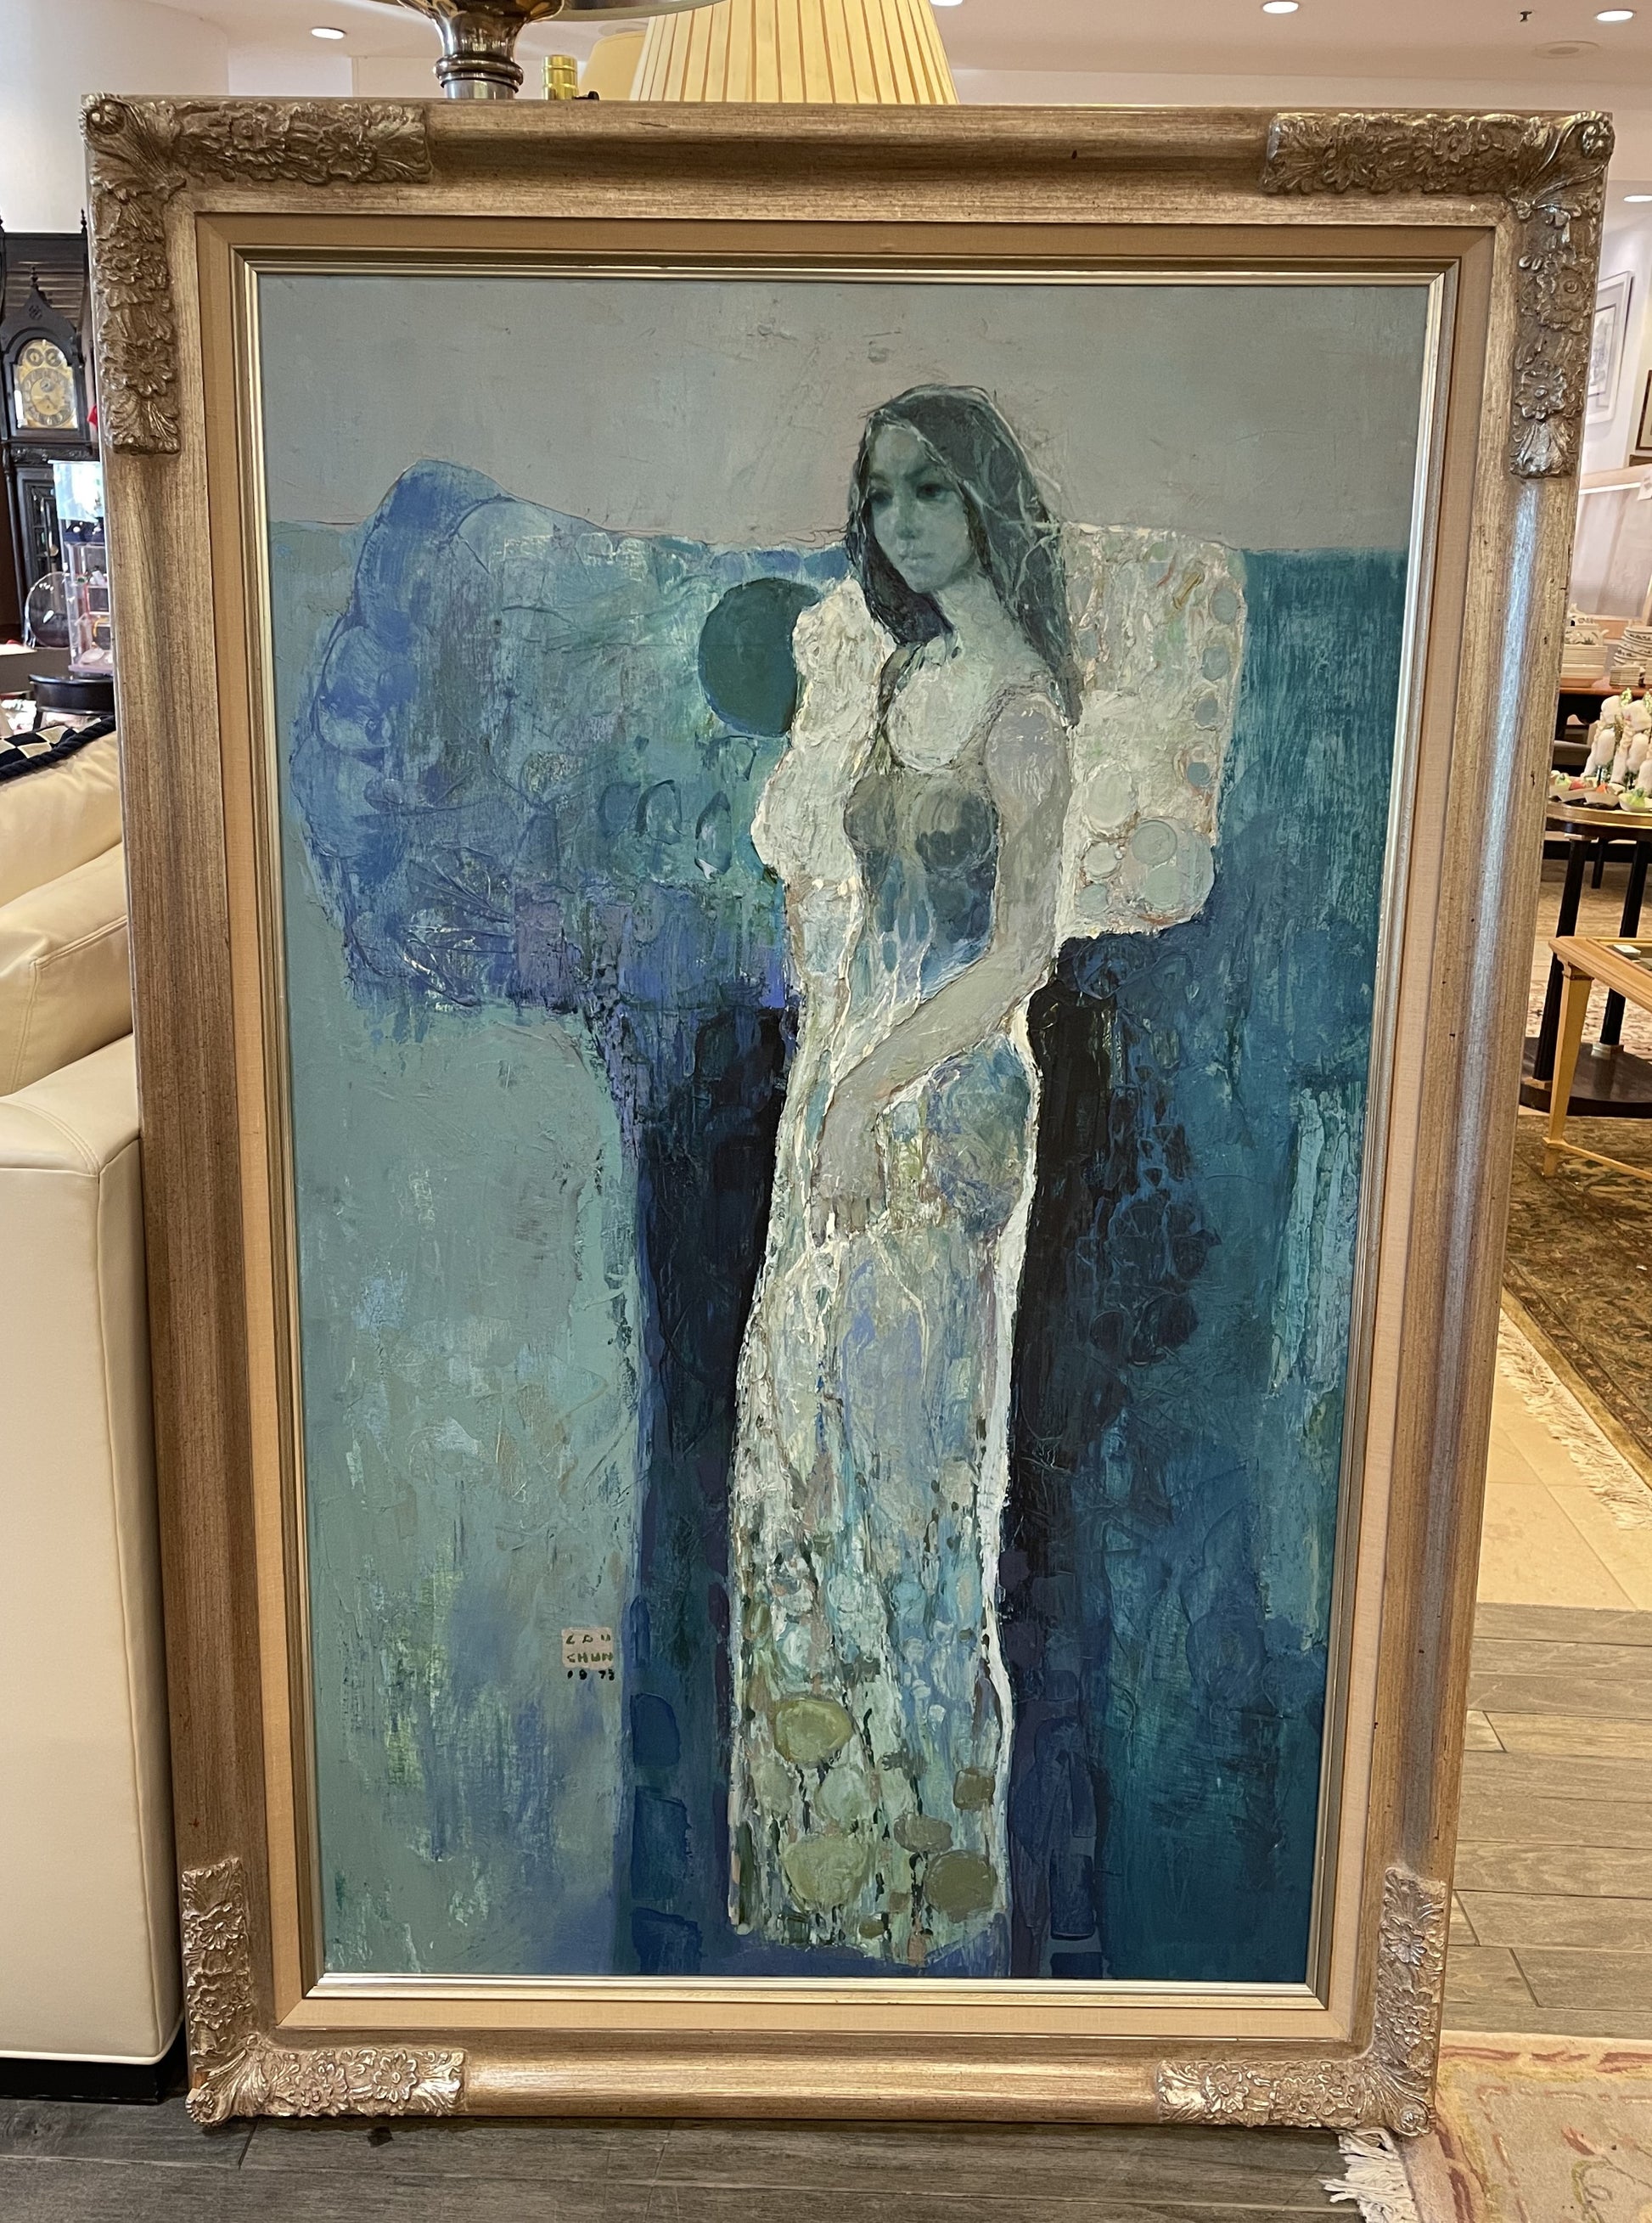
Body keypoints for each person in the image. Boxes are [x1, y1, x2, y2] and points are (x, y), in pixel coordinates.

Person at [725, 387, 1082, 1968]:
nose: (905, 522)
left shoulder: (1023, 707)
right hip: (852, 1084)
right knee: (799, 1453)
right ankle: (823, 1868)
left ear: (988, 498)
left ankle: (926, 1887)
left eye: (931, 488)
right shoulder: (896, 683)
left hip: (946, 1100)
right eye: (881, 496)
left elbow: (1016, 952)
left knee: (914, 1470)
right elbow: (852, 915)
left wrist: (870, 1091)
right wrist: (827, 1084)